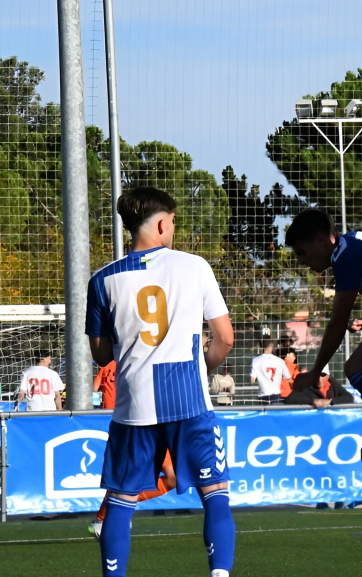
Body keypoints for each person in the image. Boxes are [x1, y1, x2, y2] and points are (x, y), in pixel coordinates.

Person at [85, 186, 236, 577]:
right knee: (215, 493)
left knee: (120, 499)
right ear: (163, 223)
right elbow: (225, 338)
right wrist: (205, 364)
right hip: (188, 400)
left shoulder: (101, 280)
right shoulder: (194, 266)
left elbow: (101, 356)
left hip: (134, 404)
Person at [285, 207, 362, 462]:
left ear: (321, 239)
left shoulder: (345, 254)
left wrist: (314, 372)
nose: (302, 262)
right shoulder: (354, 243)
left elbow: (337, 323)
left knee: (357, 367)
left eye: (302, 252)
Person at [89, 453, 177, 539]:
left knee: (173, 478)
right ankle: (103, 520)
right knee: (128, 476)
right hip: (137, 441)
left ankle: (122, 505)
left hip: (162, 441)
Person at [284, 368, 356, 407]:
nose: (319, 379)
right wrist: (312, 402)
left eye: (323, 375)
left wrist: (330, 402)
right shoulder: (306, 385)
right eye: (317, 375)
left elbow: (349, 397)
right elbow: (290, 399)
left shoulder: (332, 384)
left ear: (328, 376)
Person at [250, 338, 290, 404]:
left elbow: (252, 379)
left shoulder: (256, 360)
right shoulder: (279, 361)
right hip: (276, 394)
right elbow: (288, 377)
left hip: (263, 395)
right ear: (271, 345)